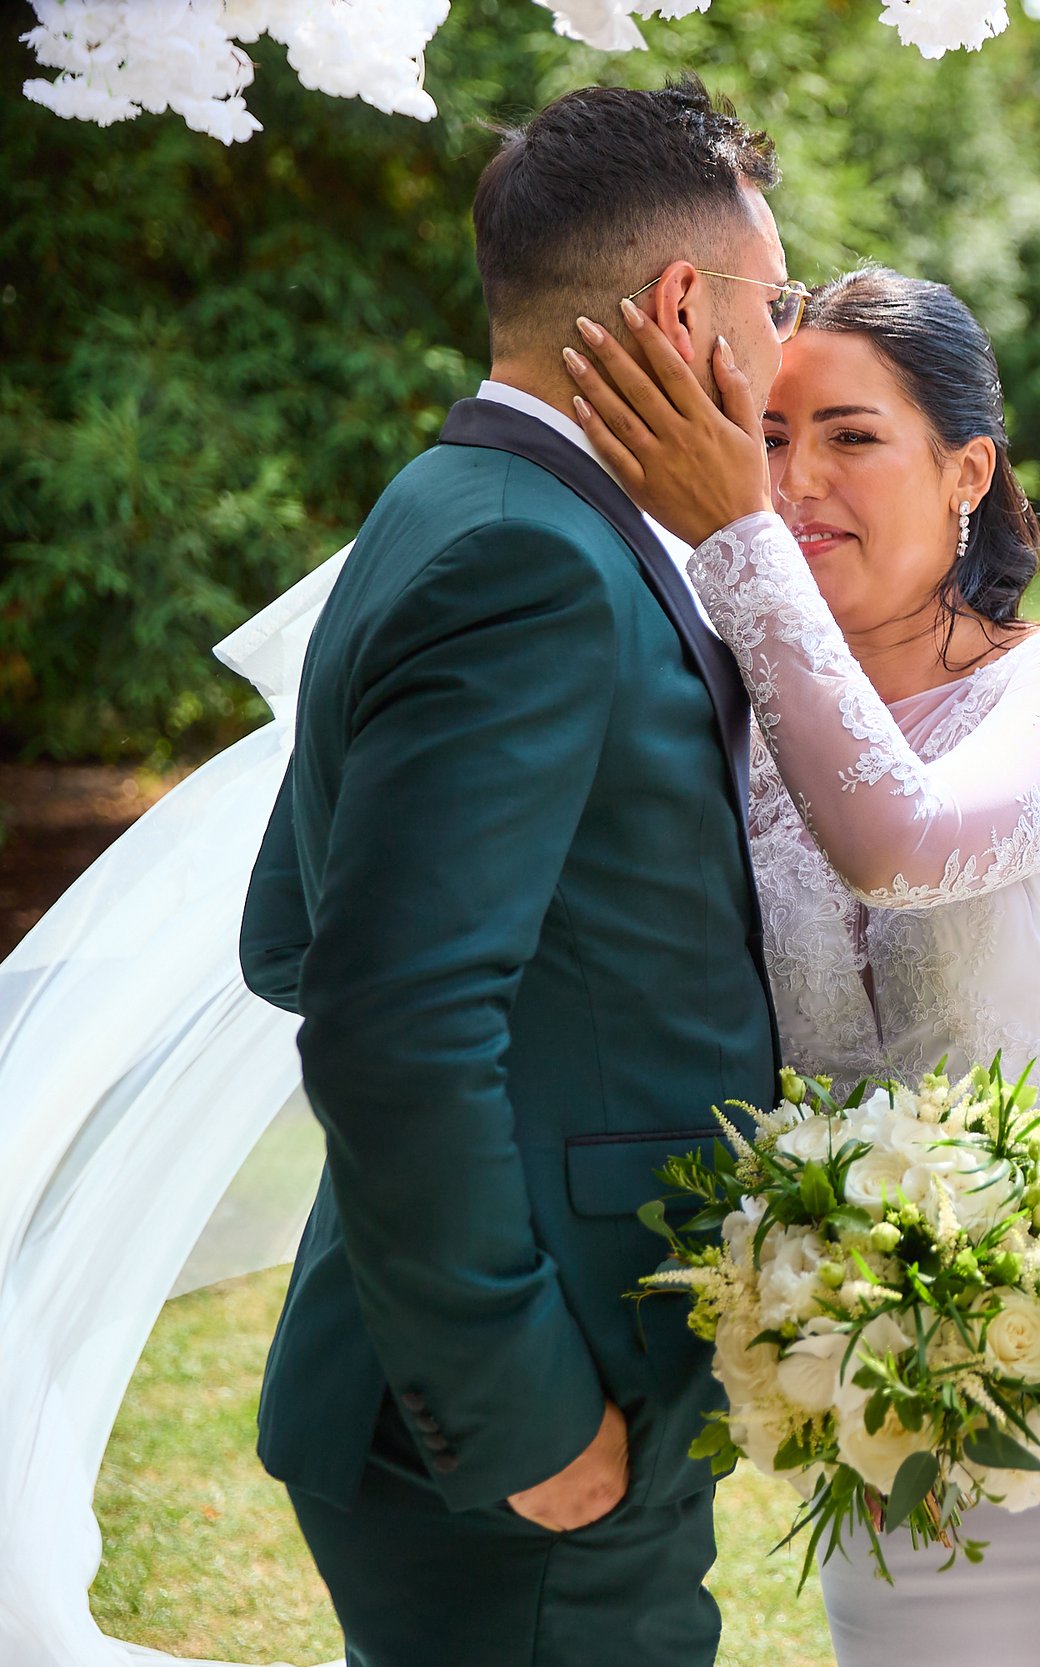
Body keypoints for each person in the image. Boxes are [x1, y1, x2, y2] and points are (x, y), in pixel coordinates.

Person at [560, 268, 1040, 1664]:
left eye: (847, 433)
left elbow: (901, 841)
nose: (791, 479)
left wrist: (737, 546)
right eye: (762, 437)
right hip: (867, 1386)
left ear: (968, 467)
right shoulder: (736, 721)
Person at [235, 81, 788, 1665]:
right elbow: (384, 1012)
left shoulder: (453, 500)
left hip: (527, 1365)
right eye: (774, 300)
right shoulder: (530, 557)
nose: (783, 341)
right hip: (524, 1408)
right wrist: (516, 1403)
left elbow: (293, 929)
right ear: (686, 304)